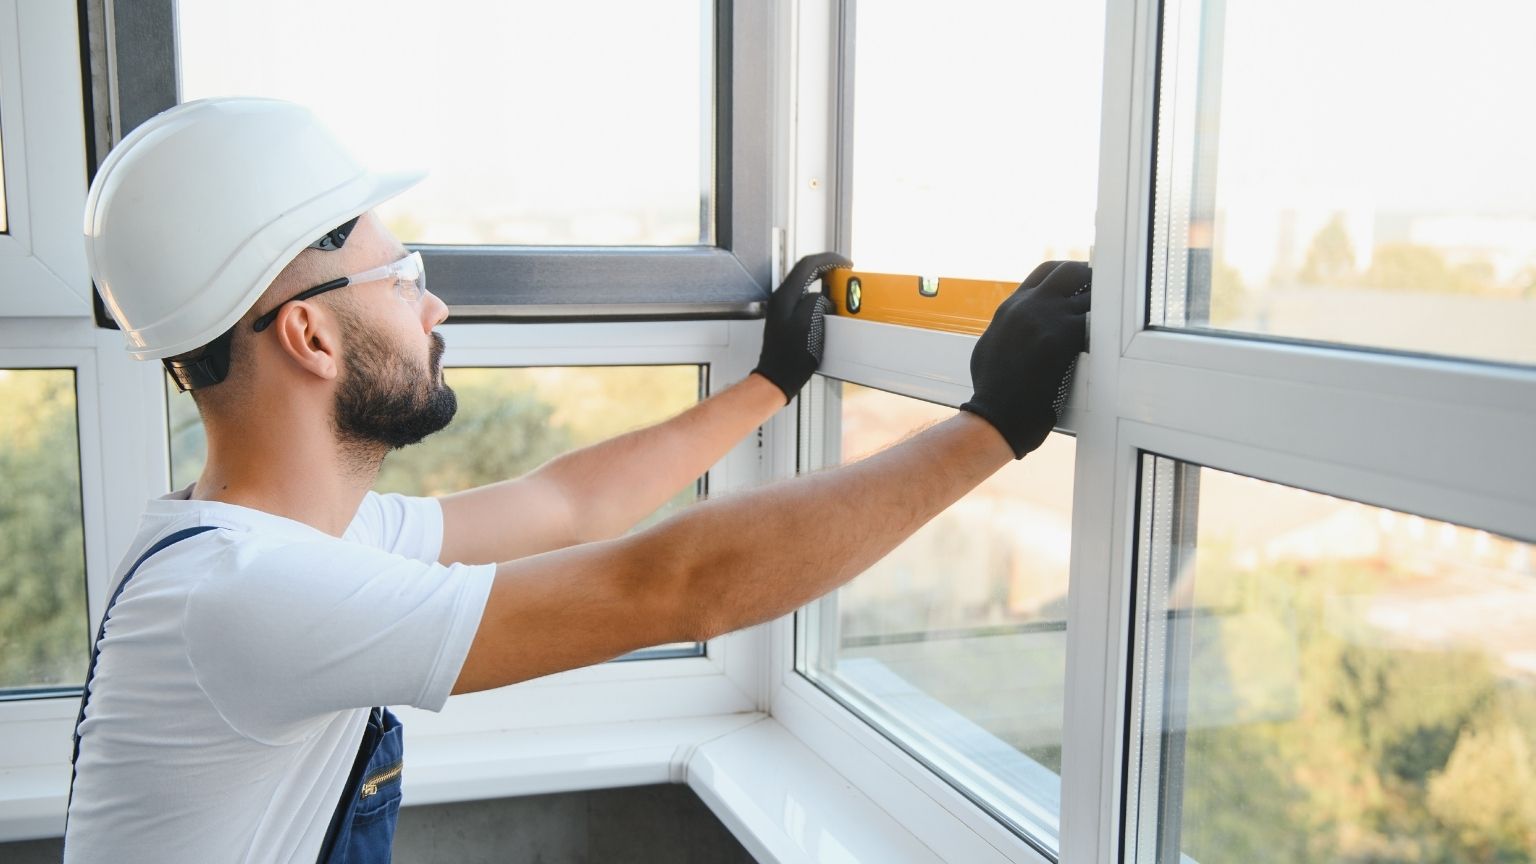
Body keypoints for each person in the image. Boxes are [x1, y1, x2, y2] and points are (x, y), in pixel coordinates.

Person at [66, 97, 1089, 863]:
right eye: (404, 280)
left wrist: (771, 383)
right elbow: (670, 587)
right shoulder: (248, 598)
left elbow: (565, 505)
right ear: (309, 335)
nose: (436, 314)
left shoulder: (286, 543)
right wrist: (991, 427)